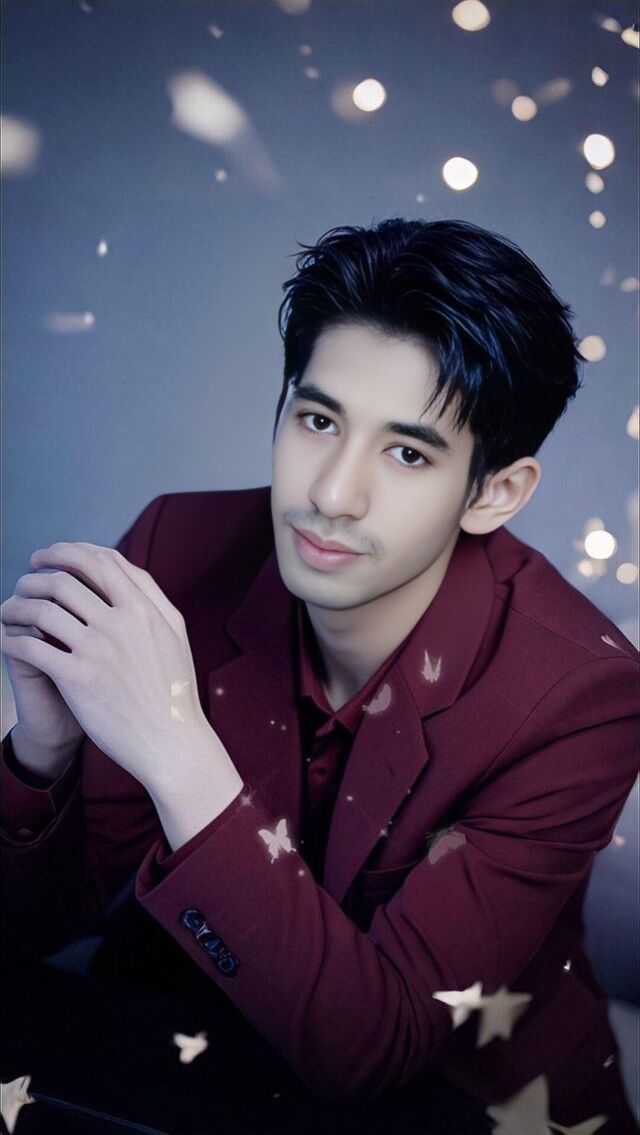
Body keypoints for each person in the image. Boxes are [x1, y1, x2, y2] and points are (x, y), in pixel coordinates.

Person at [1, 218, 638, 1133]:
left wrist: (175, 744)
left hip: (461, 1110)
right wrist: (40, 757)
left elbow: (373, 1046)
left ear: (494, 492)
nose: (332, 493)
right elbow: (33, 931)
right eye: (318, 420)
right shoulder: (177, 551)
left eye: (408, 452)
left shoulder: (581, 697)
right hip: (184, 1064)